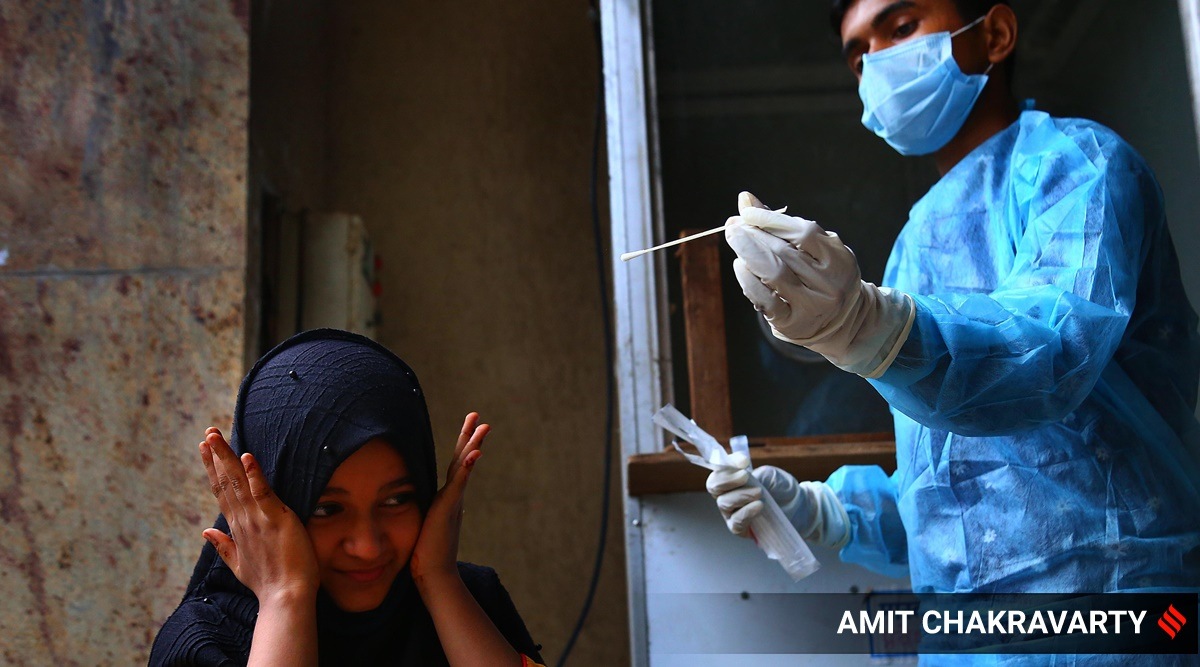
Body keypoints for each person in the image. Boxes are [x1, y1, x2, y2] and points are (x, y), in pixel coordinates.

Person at [709, 0, 1200, 596]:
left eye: (901, 28)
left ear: (994, 35)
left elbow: (1049, 356)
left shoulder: (1078, 166)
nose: (879, 63)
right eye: (859, 55)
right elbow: (956, 492)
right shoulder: (915, 246)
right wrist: (821, 511)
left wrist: (866, 326)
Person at [149, 329, 544, 666]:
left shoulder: (468, 602)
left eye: (396, 500)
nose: (368, 547)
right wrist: (284, 599)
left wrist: (440, 582)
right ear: (257, 511)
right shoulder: (202, 644)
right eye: (326, 508)